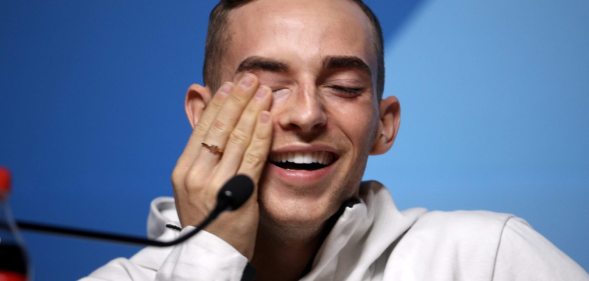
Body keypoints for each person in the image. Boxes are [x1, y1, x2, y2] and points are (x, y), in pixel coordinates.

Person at [83, 0, 588, 280]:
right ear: (203, 115)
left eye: (344, 88)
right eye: (270, 87)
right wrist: (208, 259)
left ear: (384, 125)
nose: (307, 114)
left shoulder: (487, 258)